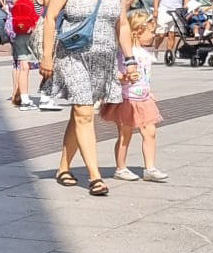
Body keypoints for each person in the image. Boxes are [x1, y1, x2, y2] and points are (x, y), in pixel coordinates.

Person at [40, 0, 134, 197]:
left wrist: (130, 59)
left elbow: (122, 23)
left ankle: (63, 168)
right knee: (84, 113)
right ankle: (95, 177)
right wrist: (47, 56)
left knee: (81, 114)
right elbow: (50, 17)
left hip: (102, 60)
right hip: (72, 56)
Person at [105, 10, 165, 183]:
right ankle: (121, 167)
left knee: (150, 132)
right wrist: (124, 78)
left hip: (144, 98)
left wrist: (149, 90)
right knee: (125, 134)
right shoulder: (126, 53)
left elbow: (145, 76)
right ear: (138, 31)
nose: (153, 36)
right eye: (151, 32)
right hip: (128, 99)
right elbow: (115, 74)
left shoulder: (146, 54)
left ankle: (150, 168)